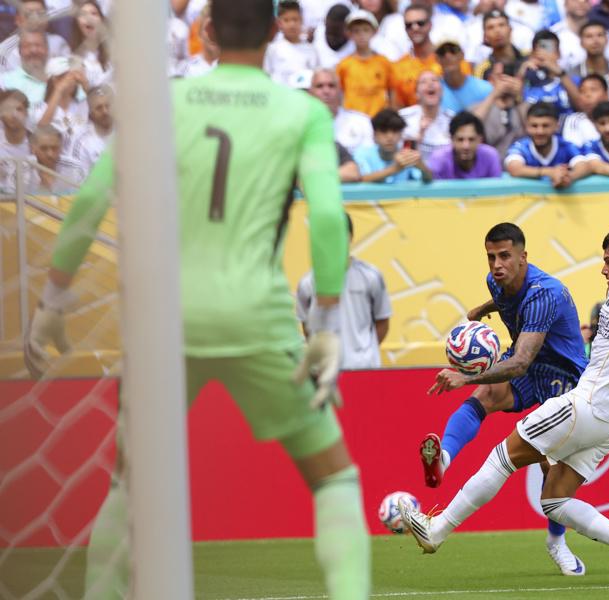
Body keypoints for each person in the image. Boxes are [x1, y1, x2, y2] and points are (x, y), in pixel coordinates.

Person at [23, 1, 370, 598]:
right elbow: (328, 220)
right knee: (334, 479)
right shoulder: (303, 112)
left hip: (166, 324)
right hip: (259, 320)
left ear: (206, 33)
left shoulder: (165, 104)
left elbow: (88, 203)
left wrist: (53, 299)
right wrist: (328, 324)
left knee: (125, 486)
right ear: (273, 33)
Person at [401, 219, 609, 586]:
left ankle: (437, 530)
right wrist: (486, 307)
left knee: (503, 457)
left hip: (584, 405)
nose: (603, 269)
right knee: (555, 501)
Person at [418, 222, 591, 577]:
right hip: (529, 368)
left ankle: (556, 542)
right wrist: (482, 311)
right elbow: (505, 298)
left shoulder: (546, 293)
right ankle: (443, 461)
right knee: (486, 395)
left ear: (523, 257)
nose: (496, 264)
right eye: (491, 256)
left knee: (551, 471)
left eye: (505, 256)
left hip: (564, 379)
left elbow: (521, 362)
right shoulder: (494, 281)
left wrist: (464, 376)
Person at [297, 213, 391, 369]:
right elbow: (307, 328)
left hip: (365, 370)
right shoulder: (307, 283)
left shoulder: (371, 277)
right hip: (324, 373)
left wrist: (363, 355)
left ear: (351, 236)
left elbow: (382, 322)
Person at [505, 101, 593, 189]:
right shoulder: (521, 147)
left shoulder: (566, 146)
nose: (540, 131)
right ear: (527, 127)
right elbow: (514, 169)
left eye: (545, 126)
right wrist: (550, 172)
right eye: (534, 126)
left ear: (557, 126)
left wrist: (567, 177)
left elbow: (584, 166)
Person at [336, 9, 392, 117]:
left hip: (379, 120)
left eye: (366, 30)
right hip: (353, 120)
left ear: (374, 31)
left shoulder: (384, 62)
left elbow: (392, 92)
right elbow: (339, 94)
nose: (361, 35)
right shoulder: (344, 65)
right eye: (356, 31)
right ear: (349, 34)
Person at [354, 108, 433, 183]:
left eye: (395, 131)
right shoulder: (362, 153)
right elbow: (362, 180)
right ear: (374, 135)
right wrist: (394, 169)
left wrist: (422, 167)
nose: (390, 137)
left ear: (401, 135)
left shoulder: (407, 155)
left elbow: (428, 180)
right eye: (384, 131)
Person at [309, 68, 374, 154]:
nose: (326, 91)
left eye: (331, 86)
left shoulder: (362, 122)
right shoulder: (299, 125)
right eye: (320, 86)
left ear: (340, 91)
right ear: (310, 92)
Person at [520, 29, 583, 117]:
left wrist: (561, 74)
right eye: (541, 50)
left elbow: (582, 107)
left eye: (549, 49)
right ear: (532, 54)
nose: (545, 55)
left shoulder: (573, 81)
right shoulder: (527, 83)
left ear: (558, 53)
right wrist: (522, 74)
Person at [428, 110, 503, 179]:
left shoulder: (491, 156)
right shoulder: (439, 159)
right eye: (460, 140)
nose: (466, 146)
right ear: (451, 139)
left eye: (471, 139)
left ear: (480, 139)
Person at [0, 0, 70, 74]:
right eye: (28, 15)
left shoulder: (59, 43)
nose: (35, 19)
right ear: (18, 20)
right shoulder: (4, 50)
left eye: (40, 14)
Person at [399, 70, 453, 162]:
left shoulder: (452, 119)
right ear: (416, 94)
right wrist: (420, 133)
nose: (430, 84)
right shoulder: (403, 118)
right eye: (423, 82)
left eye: (434, 80)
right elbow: (400, 153)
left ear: (442, 91)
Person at [264, 1, 319, 88]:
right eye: (286, 20)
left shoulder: (311, 50)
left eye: (295, 19)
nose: (292, 25)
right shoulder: (272, 49)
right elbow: (266, 75)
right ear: (279, 23)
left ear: (302, 20)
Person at [436, 34, 494, 112]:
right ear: (437, 59)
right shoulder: (434, 92)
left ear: (462, 55)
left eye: (453, 50)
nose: (448, 56)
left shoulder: (485, 89)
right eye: (442, 52)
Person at [69, 85, 113, 175]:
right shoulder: (83, 143)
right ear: (90, 114)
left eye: (107, 106)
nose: (105, 111)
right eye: (99, 108)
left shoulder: (127, 132)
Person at [0, 30, 49, 104]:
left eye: (38, 45)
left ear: (47, 49)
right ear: (19, 51)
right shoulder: (4, 82)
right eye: (27, 46)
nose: (33, 50)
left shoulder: (58, 80)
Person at [560, 74, 609, 146]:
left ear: (606, 94)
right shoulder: (574, 121)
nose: (587, 94)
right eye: (582, 91)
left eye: (593, 89)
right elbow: (575, 153)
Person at [313, 3, 356, 69]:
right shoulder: (316, 35)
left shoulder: (357, 43)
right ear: (325, 23)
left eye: (337, 35)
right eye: (329, 33)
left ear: (349, 30)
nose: (332, 38)